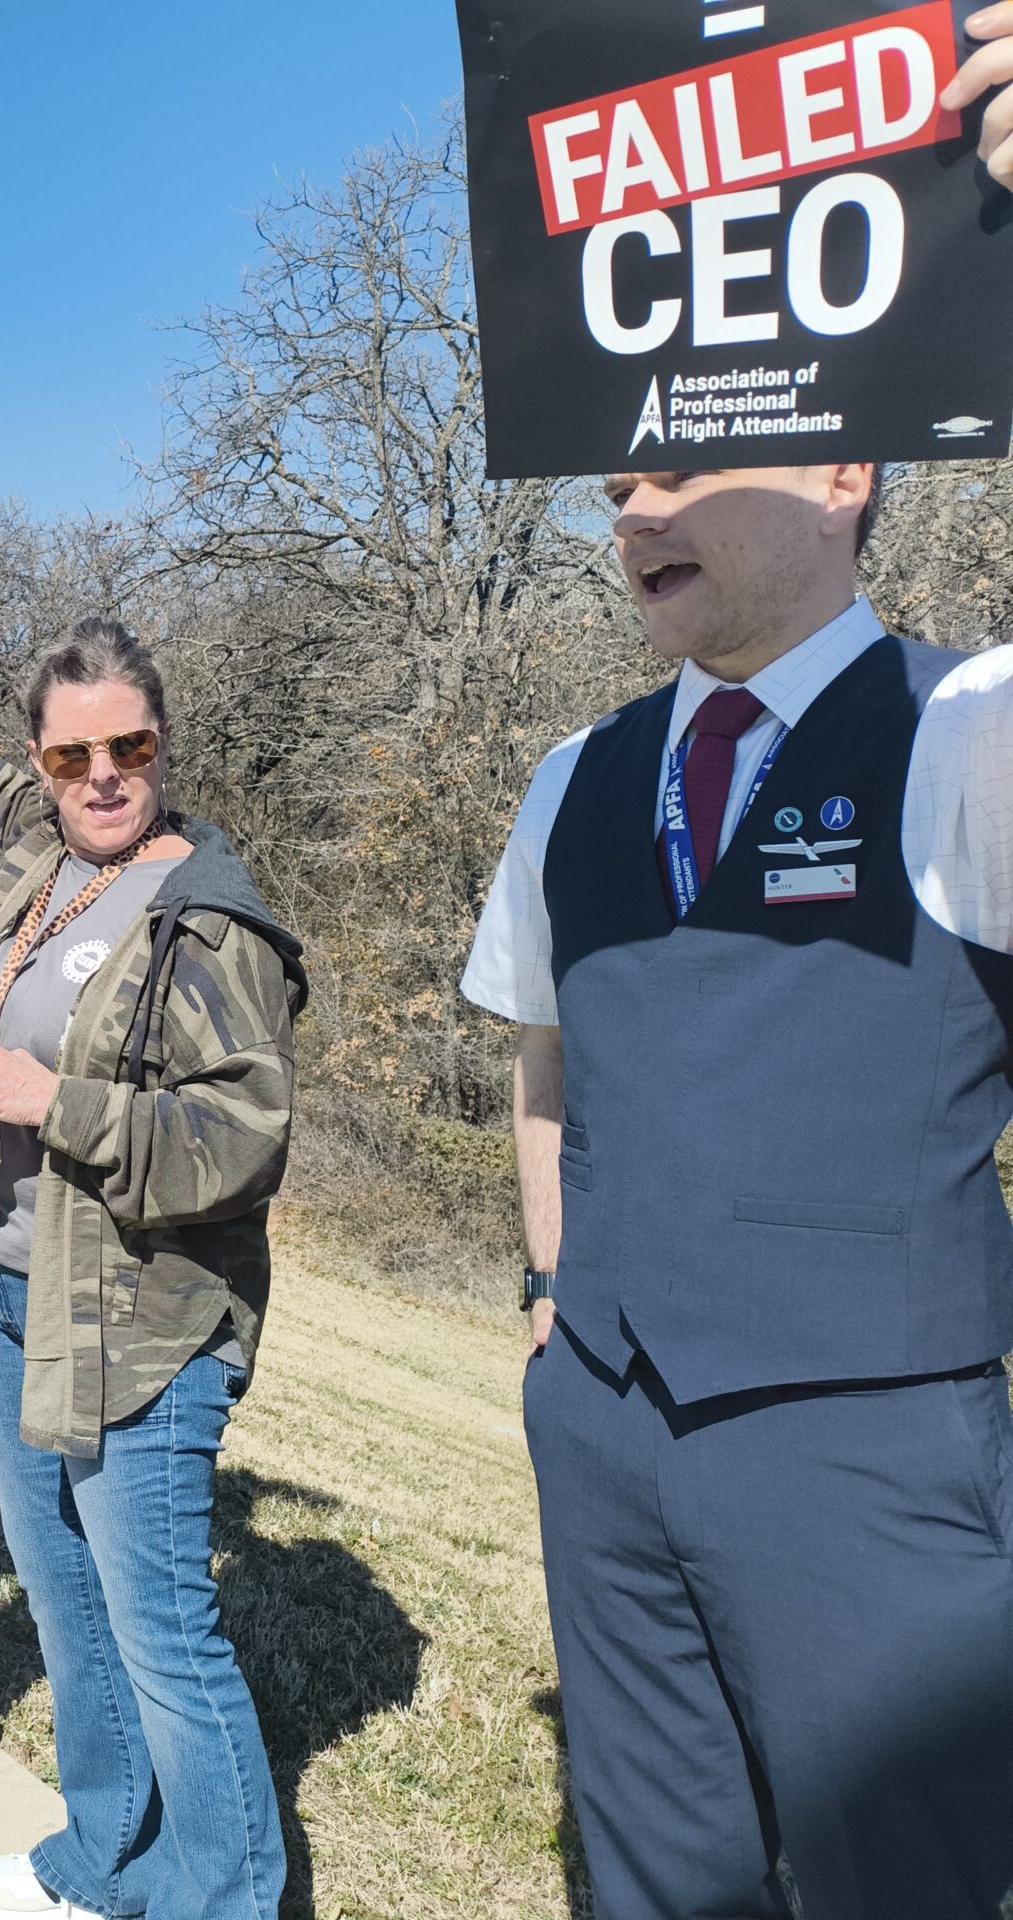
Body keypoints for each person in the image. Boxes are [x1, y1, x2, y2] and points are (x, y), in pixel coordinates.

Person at [460, 444, 1013, 1913]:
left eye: (683, 470)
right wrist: (549, 1286)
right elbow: (546, 1045)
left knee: (900, 1885)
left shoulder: (975, 727)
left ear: (843, 470)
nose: (632, 514)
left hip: (870, 1444)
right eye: (617, 490)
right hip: (602, 1414)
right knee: (657, 1881)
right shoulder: (575, 776)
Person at [0, 505, 305, 1919]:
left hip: (144, 1321)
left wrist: (54, 1104)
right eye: (70, 755)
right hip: (9, 1292)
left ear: (163, 746)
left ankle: (226, 1892)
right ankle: (104, 1858)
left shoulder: (203, 916)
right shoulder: (42, 862)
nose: (102, 776)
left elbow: (242, 1136)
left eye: (129, 749)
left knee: (160, 1624)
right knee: (71, 1609)